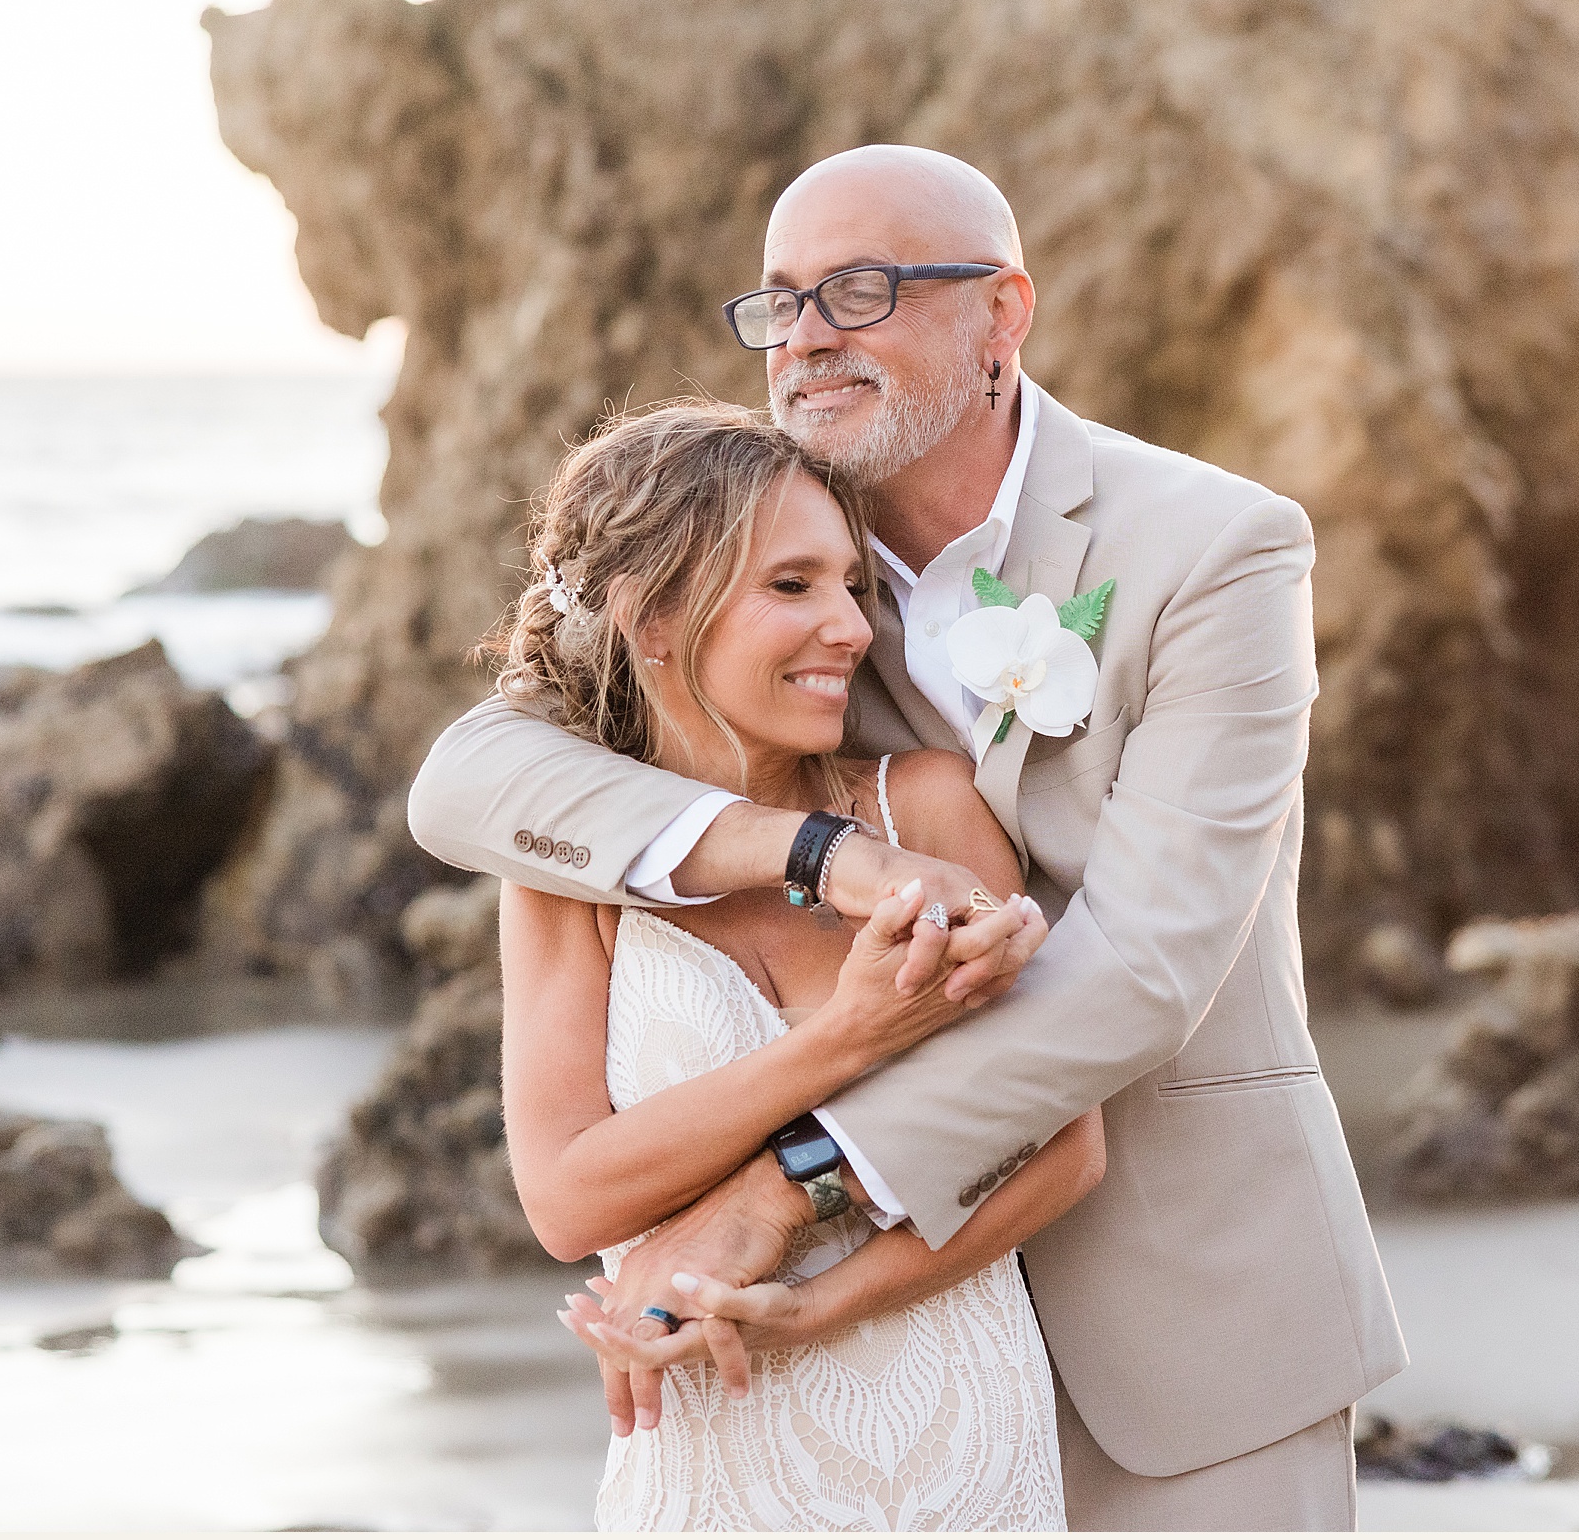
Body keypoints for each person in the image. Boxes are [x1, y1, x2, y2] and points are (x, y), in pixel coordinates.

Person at [410, 144, 1407, 1529]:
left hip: (1190, 1305)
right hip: (863, 1369)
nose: (807, 335)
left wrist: (787, 1185)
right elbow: (469, 781)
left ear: (1002, 316)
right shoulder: (759, 547)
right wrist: (809, 854)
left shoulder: (1215, 549)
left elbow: (1145, 971)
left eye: (860, 290)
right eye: (779, 302)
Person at [489, 401, 1091, 1529]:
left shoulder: (925, 803)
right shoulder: (562, 873)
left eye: (851, 586)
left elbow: (1063, 1146)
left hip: (960, 1422)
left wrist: (815, 1308)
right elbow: (569, 1198)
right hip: (714, 1447)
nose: (852, 627)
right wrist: (846, 1036)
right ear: (654, 616)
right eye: (791, 585)